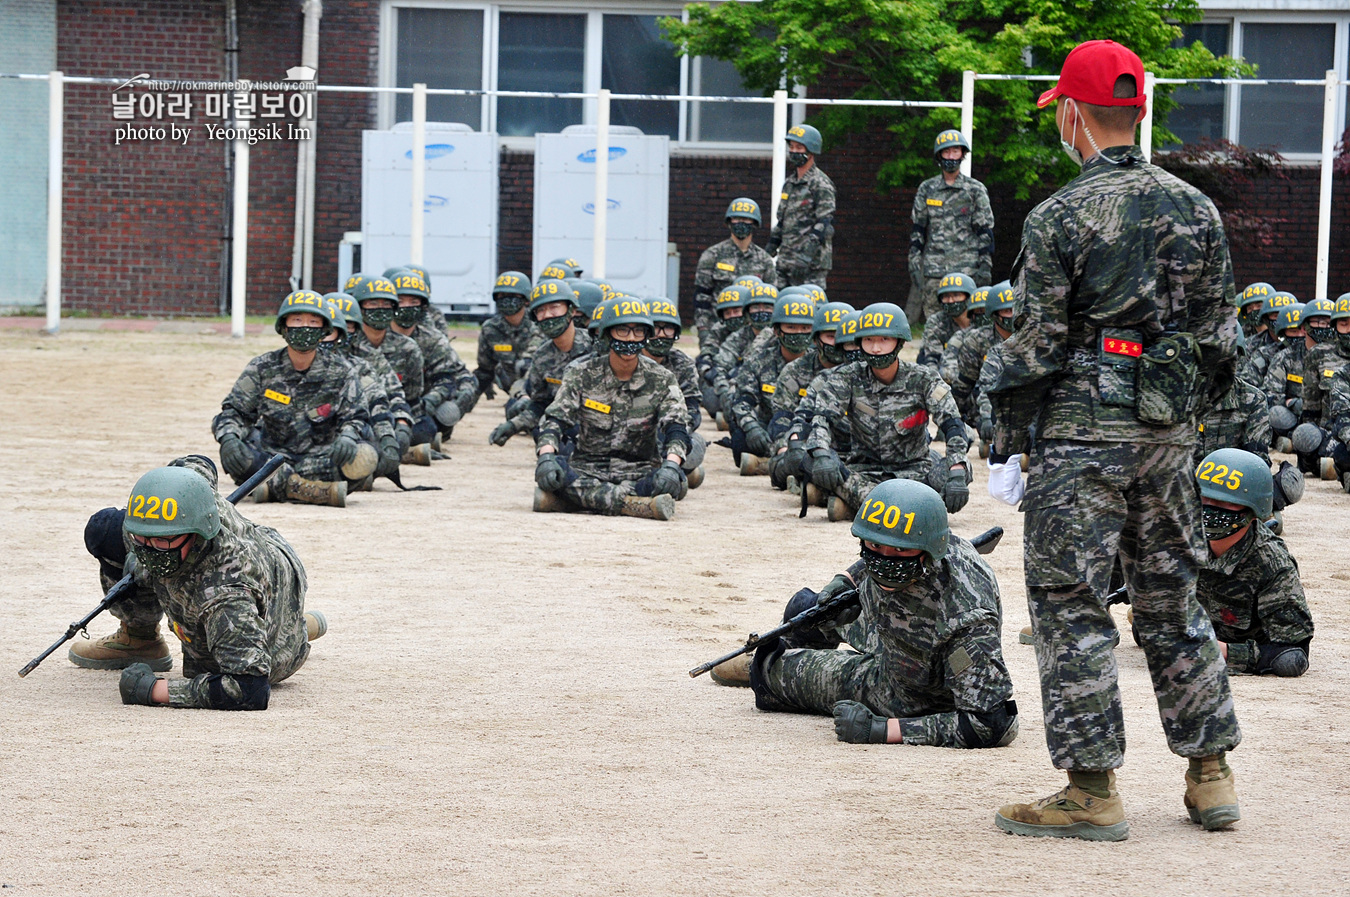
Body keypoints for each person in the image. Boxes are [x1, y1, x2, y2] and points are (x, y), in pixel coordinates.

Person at [987, 39, 1241, 841]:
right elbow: (1223, 338)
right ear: (1136, 111)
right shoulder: (1198, 208)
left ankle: (1091, 790)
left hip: (1080, 440)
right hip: (1167, 435)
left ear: (1072, 114)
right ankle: (1211, 776)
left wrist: (1002, 424)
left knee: (1072, 604)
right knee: (1173, 599)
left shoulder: (1059, 216)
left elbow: (1035, 345)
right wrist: (1183, 417)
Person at [713, 478, 1017, 750]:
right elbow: (883, 549)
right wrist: (845, 580)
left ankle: (762, 667)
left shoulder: (966, 620)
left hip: (911, 691)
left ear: (927, 551)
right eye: (874, 547)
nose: (885, 560)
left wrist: (885, 730)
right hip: (889, 628)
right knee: (806, 608)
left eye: (899, 553)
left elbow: (991, 723)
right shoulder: (921, 540)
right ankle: (790, 649)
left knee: (770, 673)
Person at [71, 456, 326, 710]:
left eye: (163, 539)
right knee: (104, 530)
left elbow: (249, 688)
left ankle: (292, 633)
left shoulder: (224, 595)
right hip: (263, 563)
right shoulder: (192, 495)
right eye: (143, 538)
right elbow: (199, 463)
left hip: (263, 594)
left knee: (219, 655)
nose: (149, 551)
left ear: (196, 532)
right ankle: (139, 637)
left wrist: (153, 690)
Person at [802, 302, 971, 522]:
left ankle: (861, 508)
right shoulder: (846, 377)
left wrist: (957, 468)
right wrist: (822, 455)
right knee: (813, 460)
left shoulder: (923, 377)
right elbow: (822, 420)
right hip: (862, 472)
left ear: (899, 342)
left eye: (884, 339)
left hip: (917, 473)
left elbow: (952, 424)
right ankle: (911, 510)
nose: (875, 348)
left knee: (961, 470)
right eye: (869, 340)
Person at [532, 297, 691, 520]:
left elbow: (676, 427)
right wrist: (546, 457)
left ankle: (578, 502)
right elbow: (555, 420)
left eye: (638, 332)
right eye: (623, 331)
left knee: (675, 482)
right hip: (587, 470)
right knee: (553, 473)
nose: (631, 338)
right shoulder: (581, 374)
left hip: (640, 471)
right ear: (607, 334)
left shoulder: (662, 379)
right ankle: (632, 504)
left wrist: (672, 465)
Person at [212, 291, 375, 507]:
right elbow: (234, 412)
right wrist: (229, 437)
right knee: (237, 454)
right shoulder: (262, 367)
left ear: (324, 330)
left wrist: (348, 436)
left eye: (313, 322)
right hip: (270, 460)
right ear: (284, 327)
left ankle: (277, 488)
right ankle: (313, 491)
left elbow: (357, 417)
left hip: (322, 461)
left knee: (364, 458)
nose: (304, 327)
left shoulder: (342, 371)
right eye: (297, 320)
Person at [1182, 449, 1314, 678]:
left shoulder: (1272, 564)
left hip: (1244, 640)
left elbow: (1293, 651)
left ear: (1253, 511)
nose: (1210, 508)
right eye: (1204, 498)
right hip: (1199, 623)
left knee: (1286, 662)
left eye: (1225, 502)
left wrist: (1223, 652)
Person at [907, 130, 995, 346]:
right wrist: (914, 259)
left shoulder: (975, 190)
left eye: (955, 151)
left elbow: (985, 231)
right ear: (939, 156)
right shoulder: (927, 189)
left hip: (967, 269)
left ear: (962, 155)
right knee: (935, 322)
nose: (951, 156)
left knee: (970, 322)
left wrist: (985, 265)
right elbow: (918, 228)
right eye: (946, 152)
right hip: (934, 268)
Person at [489, 280, 592, 446]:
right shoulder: (542, 357)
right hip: (565, 427)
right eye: (541, 310)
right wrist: (512, 426)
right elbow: (540, 404)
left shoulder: (596, 348)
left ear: (572, 310)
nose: (548, 315)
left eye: (555, 307)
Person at [767, 301, 853, 490]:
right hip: (808, 443)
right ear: (816, 339)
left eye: (845, 338)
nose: (837, 343)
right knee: (796, 458)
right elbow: (783, 418)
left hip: (852, 449)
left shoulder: (865, 374)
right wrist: (785, 447)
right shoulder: (795, 371)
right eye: (831, 336)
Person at [730, 293, 818, 475]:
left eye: (805, 327)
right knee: (740, 438)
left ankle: (767, 464)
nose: (798, 333)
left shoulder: (820, 363)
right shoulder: (758, 361)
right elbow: (742, 401)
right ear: (777, 331)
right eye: (791, 327)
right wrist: (752, 427)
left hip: (808, 430)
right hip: (769, 428)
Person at [388, 267, 479, 442]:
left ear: (422, 306)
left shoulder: (433, 339)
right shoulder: (377, 336)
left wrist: (429, 403)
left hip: (420, 405)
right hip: (383, 404)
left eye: (413, 301)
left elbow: (446, 379)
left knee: (427, 428)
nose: (406, 307)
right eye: (400, 301)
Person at [346, 275, 429, 448]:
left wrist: (402, 423)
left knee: (424, 430)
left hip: (392, 410)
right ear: (360, 308)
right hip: (352, 412)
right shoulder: (348, 343)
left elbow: (412, 395)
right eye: (373, 304)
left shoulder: (408, 348)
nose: (380, 310)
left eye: (386, 304)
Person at [643, 296, 706, 488]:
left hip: (671, 432)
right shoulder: (629, 359)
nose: (661, 335)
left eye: (667, 328)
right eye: (655, 328)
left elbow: (693, 412)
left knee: (696, 444)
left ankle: (673, 468)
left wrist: (671, 435)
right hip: (631, 433)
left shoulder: (684, 364)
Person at [692, 197, 777, 339]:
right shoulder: (712, 255)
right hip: (720, 330)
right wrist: (703, 329)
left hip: (755, 333)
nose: (741, 224)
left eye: (746, 219)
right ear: (729, 222)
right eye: (737, 219)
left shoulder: (765, 260)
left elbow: (772, 299)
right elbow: (702, 297)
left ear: (754, 223)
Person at [767, 124, 835, 289]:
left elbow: (824, 223)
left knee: (810, 308)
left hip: (811, 266)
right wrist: (769, 249)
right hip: (785, 262)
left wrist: (806, 257)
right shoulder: (790, 184)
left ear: (811, 150)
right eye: (791, 147)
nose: (794, 151)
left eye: (799, 147)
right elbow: (783, 222)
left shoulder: (820, 183)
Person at [475, 271, 535, 400]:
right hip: (512, 389)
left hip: (538, 388)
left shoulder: (539, 325)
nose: (507, 300)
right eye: (502, 295)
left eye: (513, 296)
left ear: (525, 299)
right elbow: (485, 370)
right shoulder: (490, 329)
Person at [1262, 303, 1305, 453]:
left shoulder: (1327, 356)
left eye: (1302, 330)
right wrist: (1293, 404)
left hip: (1322, 416)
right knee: (1275, 414)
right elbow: (1271, 394)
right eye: (1293, 331)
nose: (1299, 335)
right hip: (1293, 417)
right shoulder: (1283, 358)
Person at [916, 271, 980, 370]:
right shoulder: (936, 322)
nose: (951, 301)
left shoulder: (981, 320)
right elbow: (931, 358)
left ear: (969, 297)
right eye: (946, 296)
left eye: (956, 295)